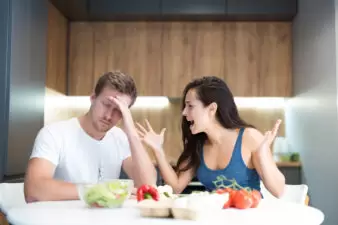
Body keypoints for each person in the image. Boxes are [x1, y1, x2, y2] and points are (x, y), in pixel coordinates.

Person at [136, 76, 285, 197]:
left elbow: (278, 191)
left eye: (190, 106)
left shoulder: (249, 137)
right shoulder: (198, 144)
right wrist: (158, 151)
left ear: (212, 108)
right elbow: (175, 187)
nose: (184, 113)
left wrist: (262, 154)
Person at [24, 71, 157, 202]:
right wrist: (100, 190)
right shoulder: (54, 133)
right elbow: (34, 190)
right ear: (93, 98)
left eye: (118, 110)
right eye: (106, 104)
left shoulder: (119, 137)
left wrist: (131, 132)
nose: (108, 116)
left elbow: (148, 186)